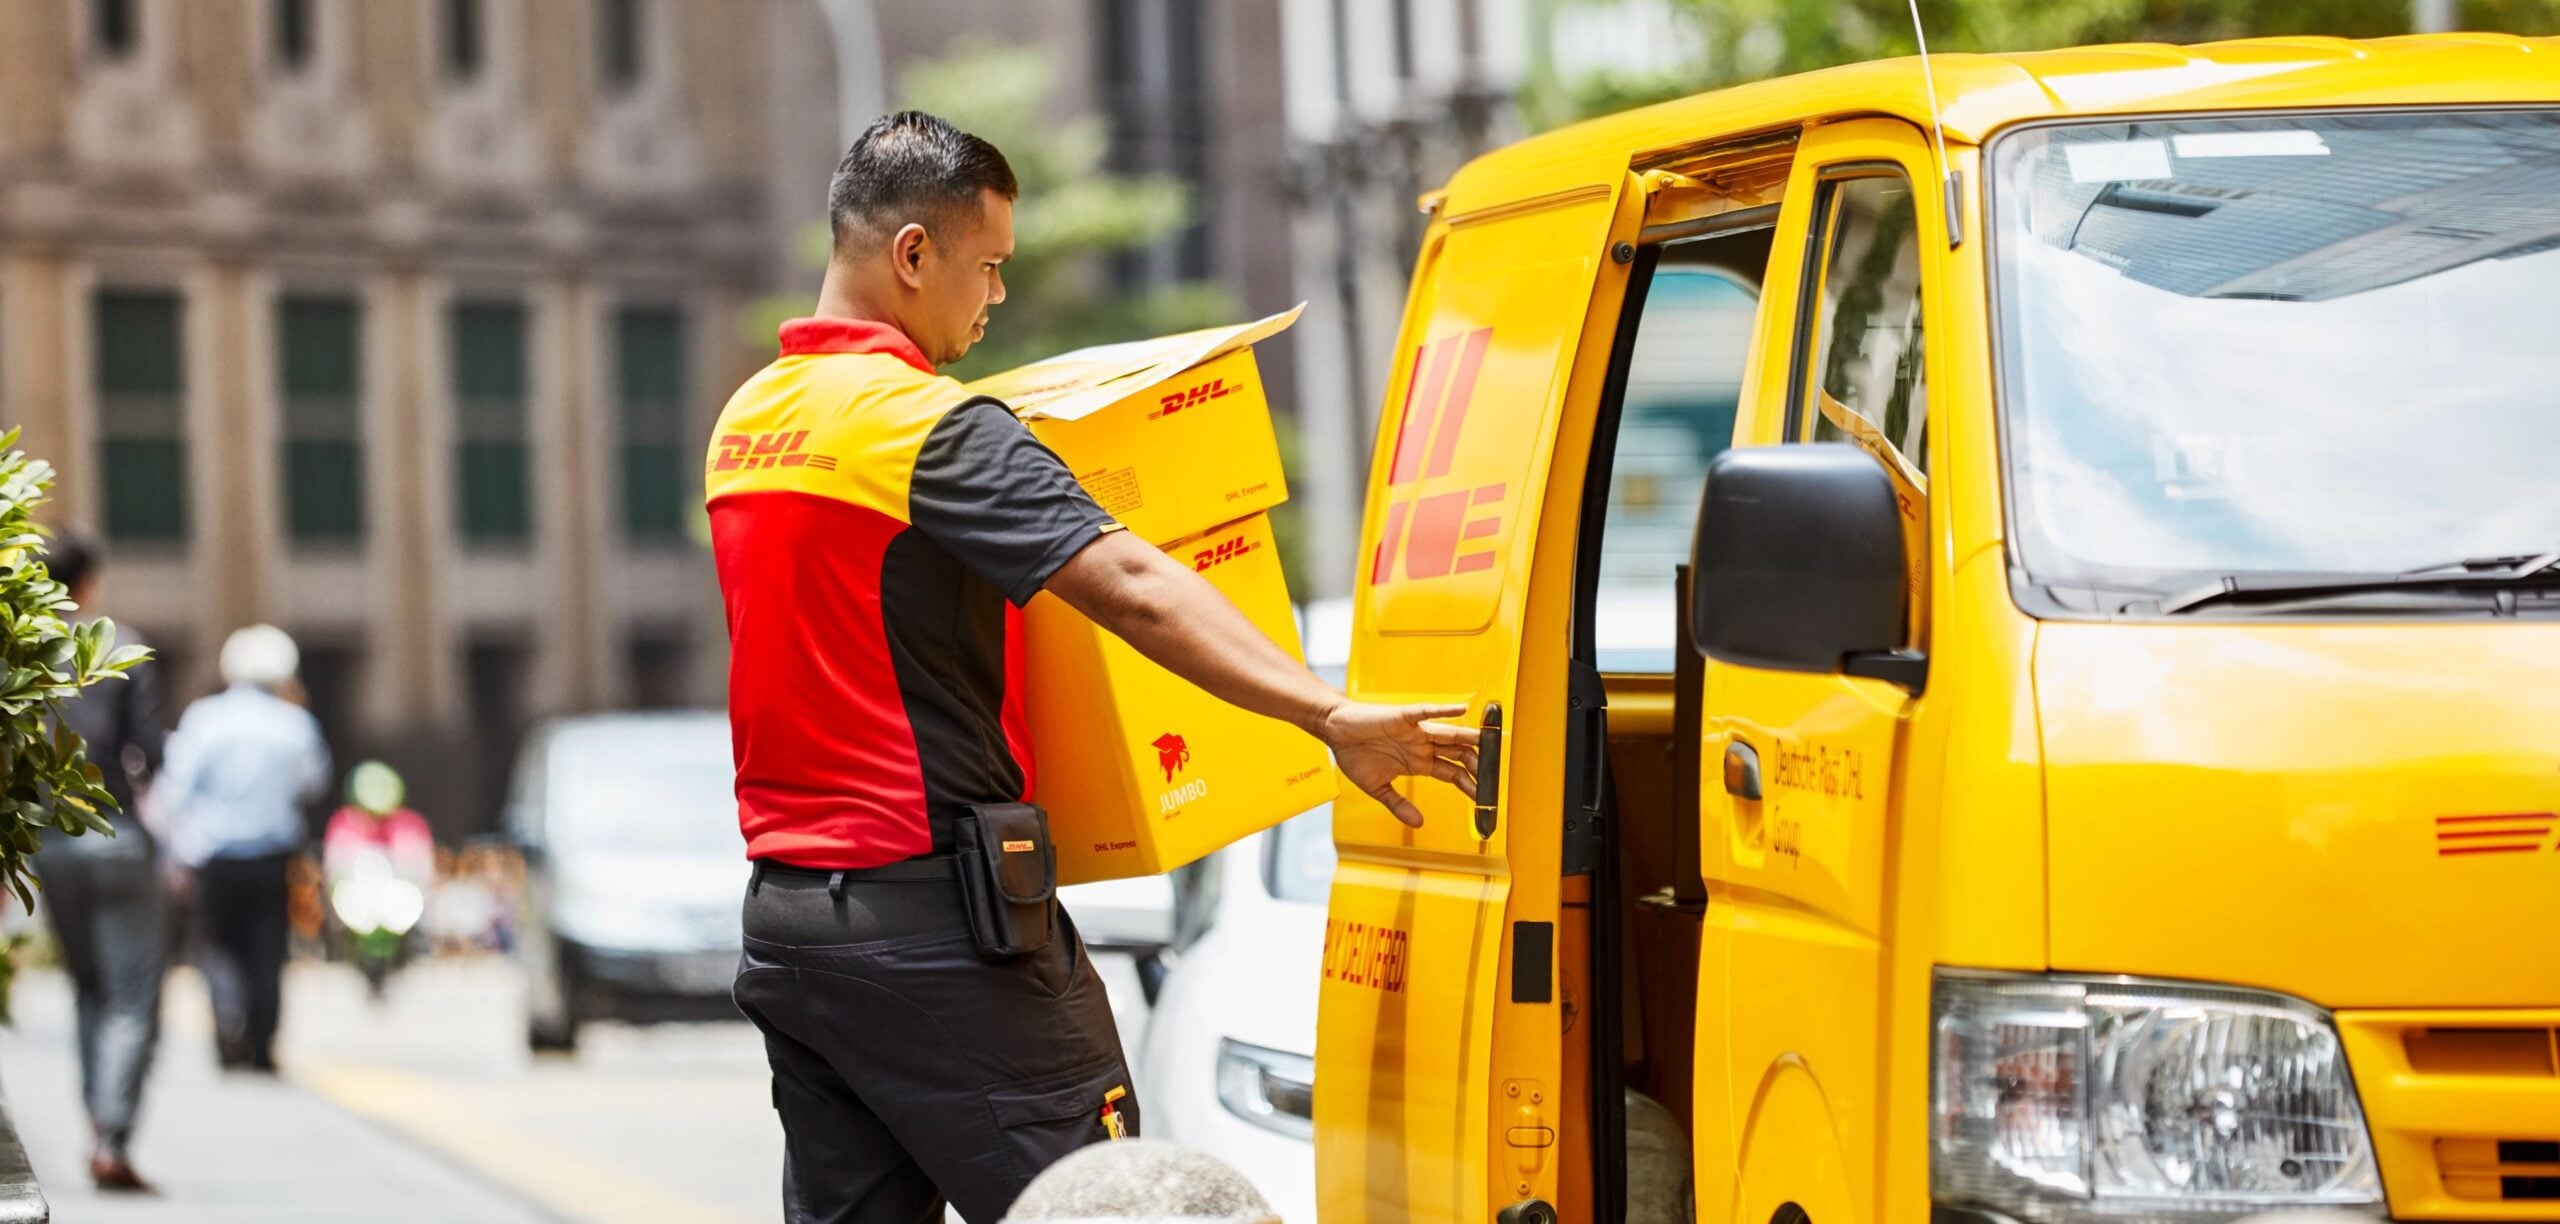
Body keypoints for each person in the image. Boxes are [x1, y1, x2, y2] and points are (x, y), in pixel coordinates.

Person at [710, 111, 1479, 1224]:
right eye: (988, 267)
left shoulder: (749, 426)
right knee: (1114, 1208)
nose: (997, 298)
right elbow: (1132, 583)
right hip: (942, 939)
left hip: (794, 936)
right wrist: (1329, 711)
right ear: (913, 256)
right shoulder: (923, 429)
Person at [28, 533, 168, 1191]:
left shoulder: (22, 653)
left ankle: (97, 1120)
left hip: (49, 843)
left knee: (87, 987)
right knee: (131, 997)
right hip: (114, 835)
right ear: (88, 581)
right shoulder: (120, 646)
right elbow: (148, 750)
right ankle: (112, 1137)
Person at [158, 624, 330, 1072]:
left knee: (217, 947)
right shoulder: (295, 723)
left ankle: (226, 1025)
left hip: (216, 858)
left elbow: (176, 790)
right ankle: (261, 1045)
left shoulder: (204, 718)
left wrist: (177, 852)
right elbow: (314, 782)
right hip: (273, 857)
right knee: (268, 949)